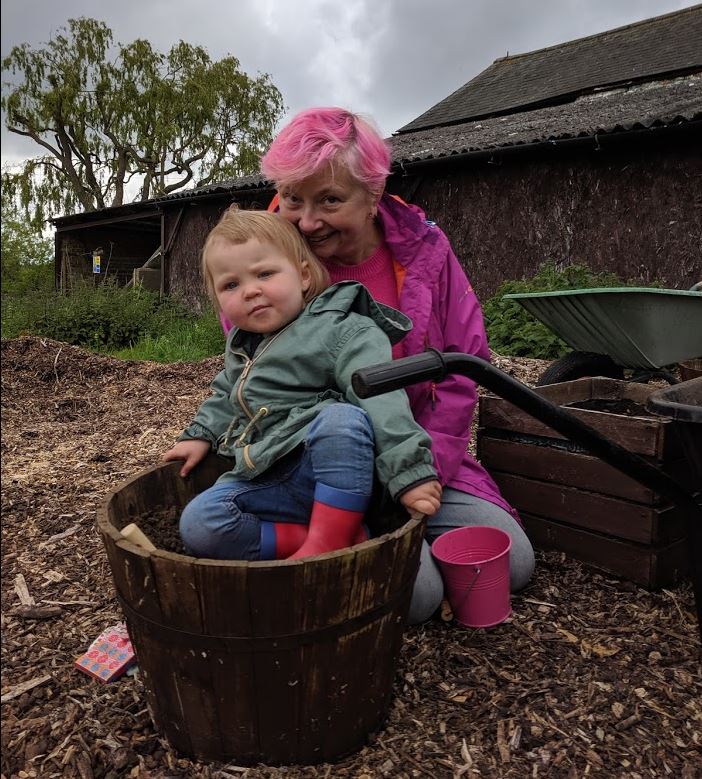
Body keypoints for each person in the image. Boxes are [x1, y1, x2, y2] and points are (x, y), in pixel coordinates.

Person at [234, 106, 535, 623]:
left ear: (373, 195)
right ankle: (343, 532)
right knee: (415, 599)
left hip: (416, 450)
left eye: (330, 200)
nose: (307, 222)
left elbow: (462, 372)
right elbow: (258, 379)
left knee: (511, 562)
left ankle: (376, 538)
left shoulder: (427, 253)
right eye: (294, 200)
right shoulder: (263, 263)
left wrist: (424, 469)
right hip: (318, 464)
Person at [163, 206, 441, 562]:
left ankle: (326, 542)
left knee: (342, 419)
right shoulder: (244, 343)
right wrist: (200, 433)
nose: (250, 291)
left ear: (304, 276)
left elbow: (382, 398)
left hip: (333, 472)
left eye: (264, 273)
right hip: (267, 472)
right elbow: (226, 394)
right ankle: (332, 539)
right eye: (231, 285)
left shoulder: (340, 328)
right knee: (200, 525)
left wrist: (411, 471)